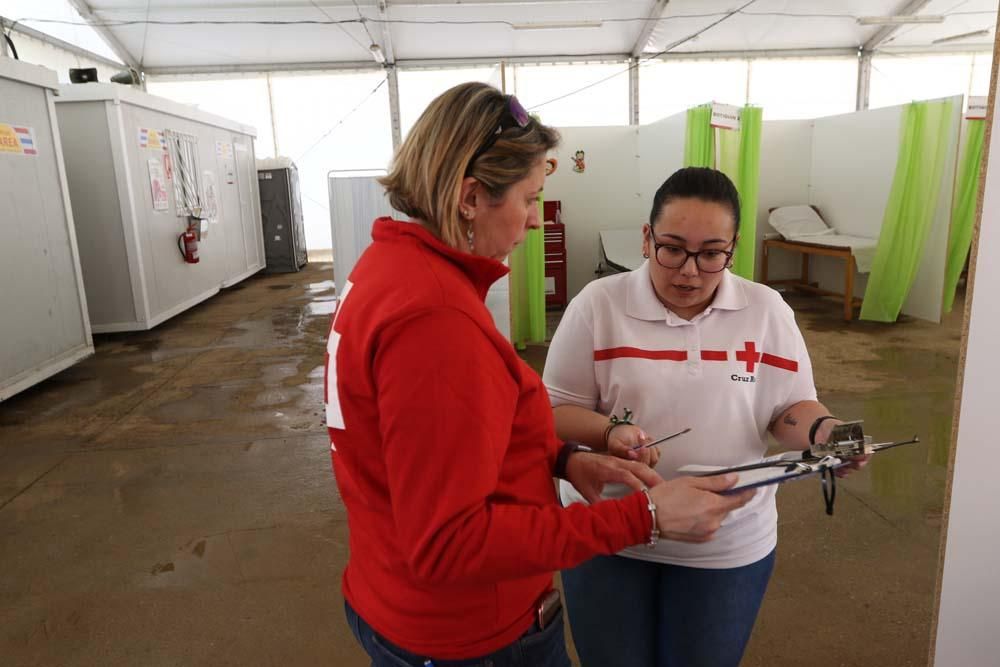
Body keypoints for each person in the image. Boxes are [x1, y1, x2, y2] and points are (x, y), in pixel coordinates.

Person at [324, 85, 755, 667]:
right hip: (466, 633)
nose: (533, 220)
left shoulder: (392, 267)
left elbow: (427, 449)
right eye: (529, 199)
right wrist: (643, 517)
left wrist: (557, 458)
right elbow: (448, 544)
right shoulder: (435, 319)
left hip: (392, 593)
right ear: (471, 196)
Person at [543, 167, 870, 667]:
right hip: (608, 532)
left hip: (726, 546)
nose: (689, 271)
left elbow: (788, 409)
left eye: (711, 253)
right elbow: (552, 412)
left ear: (733, 248)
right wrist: (609, 432)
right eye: (673, 248)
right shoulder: (599, 306)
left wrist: (824, 431)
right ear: (646, 238)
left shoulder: (766, 311)